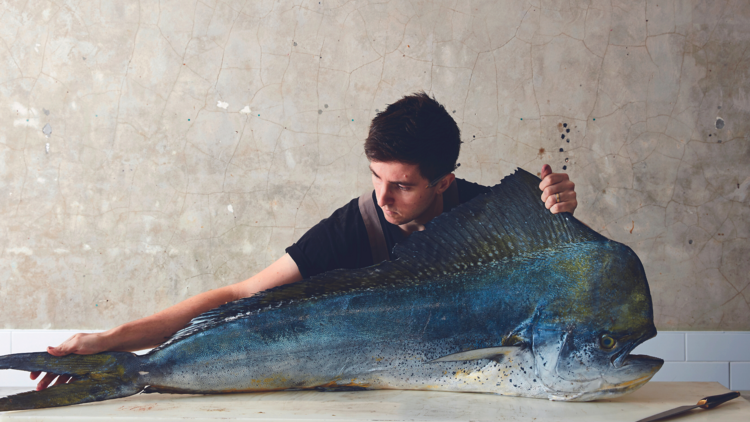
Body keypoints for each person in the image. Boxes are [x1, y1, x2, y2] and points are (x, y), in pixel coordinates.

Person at [31, 92, 577, 390]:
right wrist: (112, 340)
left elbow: (559, 284)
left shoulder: (491, 216)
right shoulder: (350, 229)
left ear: (444, 182)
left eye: (403, 185)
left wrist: (556, 212)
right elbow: (238, 294)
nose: (384, 199)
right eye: (374, 176)